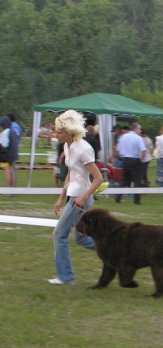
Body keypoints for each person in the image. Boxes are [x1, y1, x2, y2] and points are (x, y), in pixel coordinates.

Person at [49, 110, 103, 285]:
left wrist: (83, 197)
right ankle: (114, 250)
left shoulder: (84, 149)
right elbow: (71, 173)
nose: (56, 135)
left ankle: (66, 277)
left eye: (59, 132)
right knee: (80, 238)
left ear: (69, 132)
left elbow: (98, 178)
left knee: (59, 235)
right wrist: (60, 197)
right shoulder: (67, 146)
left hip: (81, 198)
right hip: (73, 196)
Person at [115, 123, 147, 204]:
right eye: (140, 129)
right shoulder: (138, 138)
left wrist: (120, 158)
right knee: (137, 181)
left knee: (124, 180)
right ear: (135, 129)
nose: (140, 131)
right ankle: (136, 200)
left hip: (125, 160)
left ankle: (118, 197)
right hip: (135, 160)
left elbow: (117, 150)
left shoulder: (123, 137)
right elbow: (143, 150)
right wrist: (142, 159)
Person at [0, 116, 19, 189]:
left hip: (5, 156)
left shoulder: (5, 132)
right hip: (13, 155)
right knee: (12, 172)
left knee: (7, 172)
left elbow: (4, 145)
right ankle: (13, 190)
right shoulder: (13, 131)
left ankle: (8, 190)